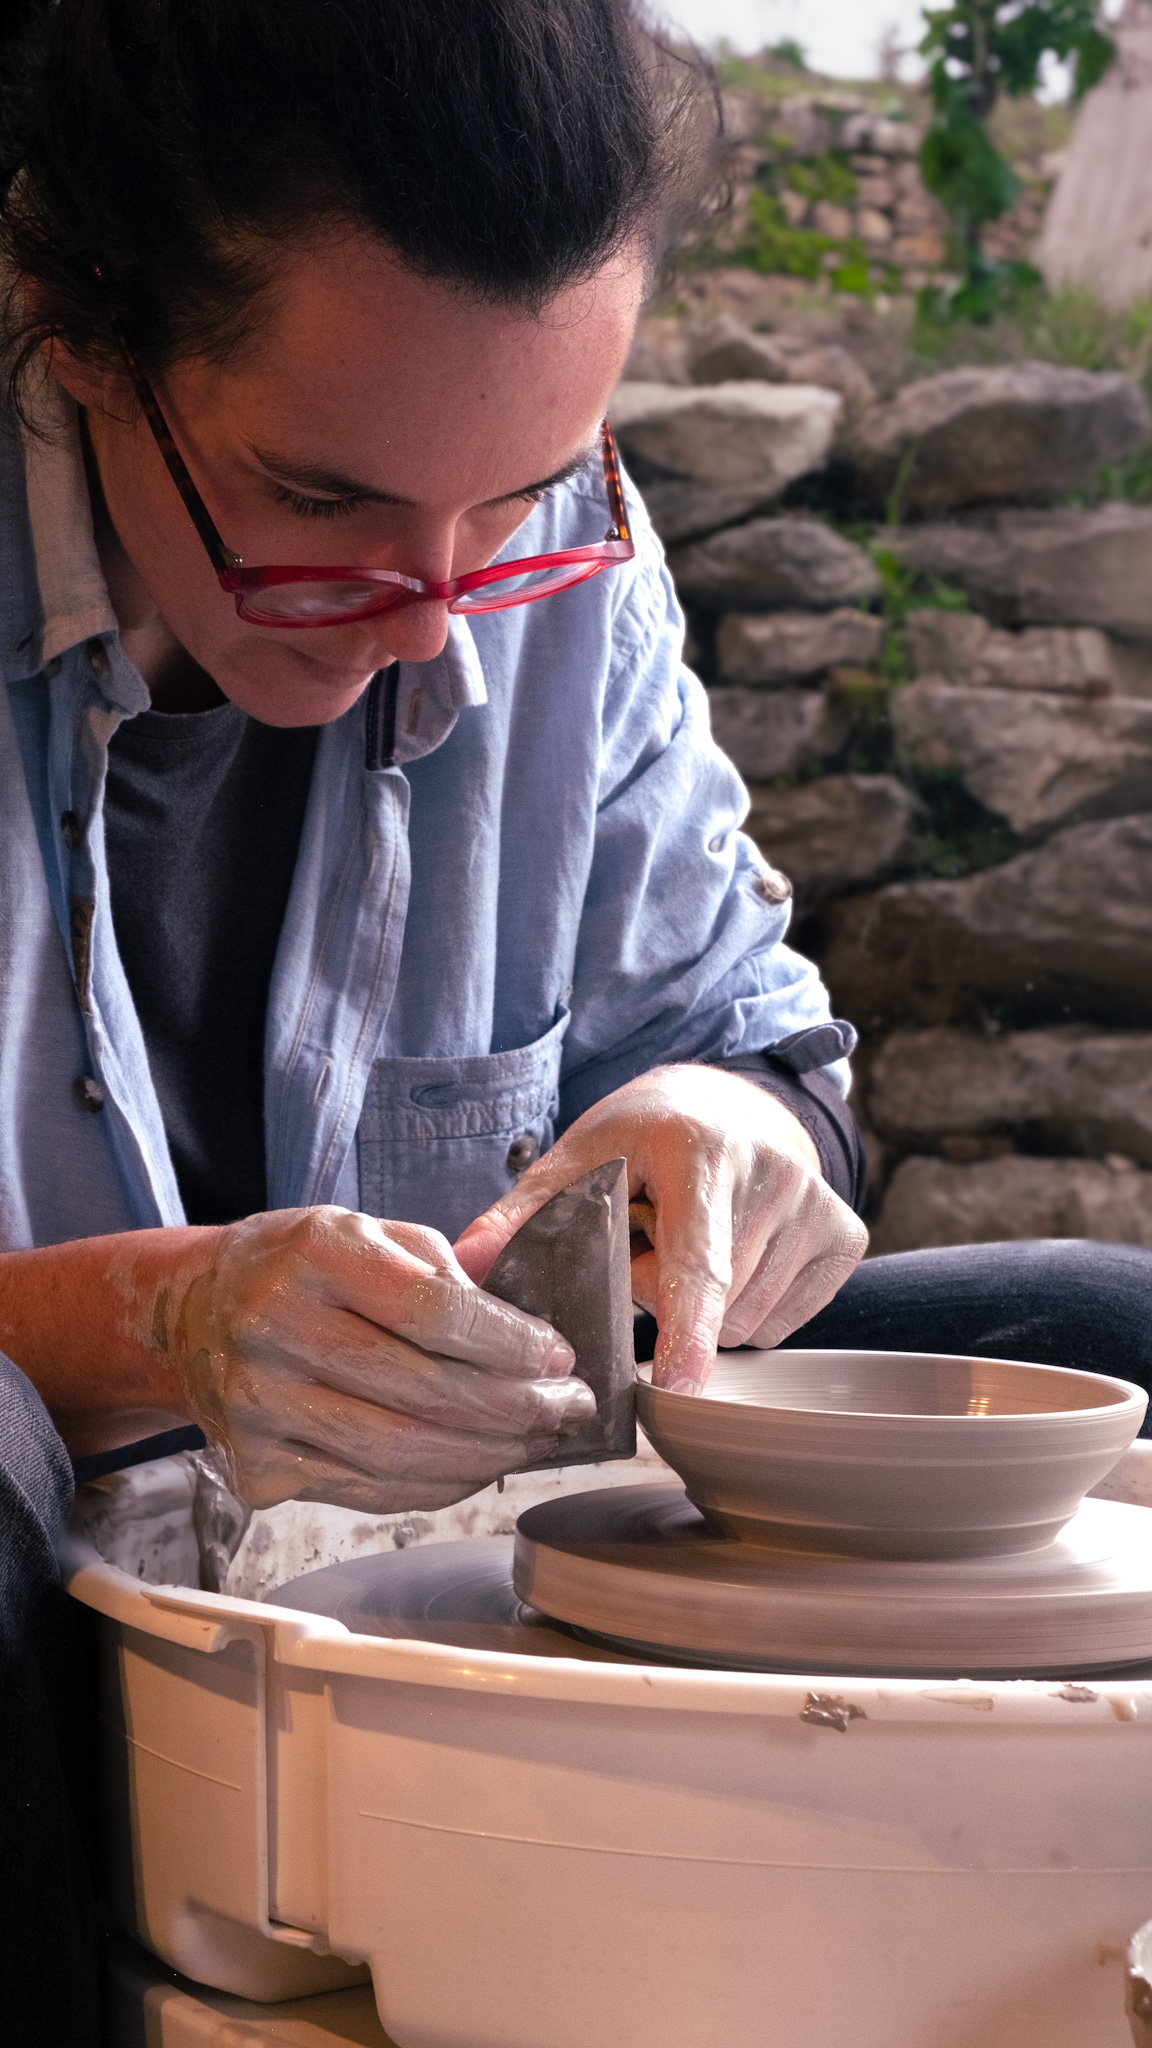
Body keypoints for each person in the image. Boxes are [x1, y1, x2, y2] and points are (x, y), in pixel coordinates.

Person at [0, 3, 1150, 2040]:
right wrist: (149, 1323)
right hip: (63, 1575)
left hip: (423, 1543)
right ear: (77, 324)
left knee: (1106, 1329)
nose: (436, 612)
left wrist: (734, 1131)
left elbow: (744, 1029)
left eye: (516, 496)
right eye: (322, 499)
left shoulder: (559, 546)